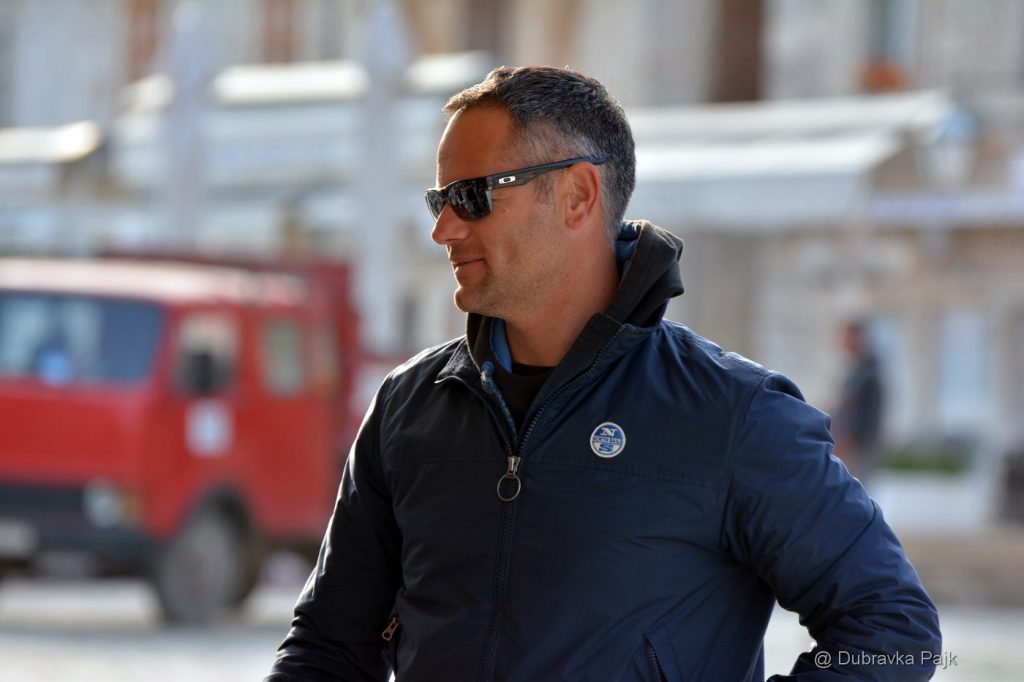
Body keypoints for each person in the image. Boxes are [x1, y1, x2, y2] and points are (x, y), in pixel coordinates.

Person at [268, 66, 940, 681]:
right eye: (438, 199)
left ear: (577, 195)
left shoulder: (734, 415)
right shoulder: (408, 408)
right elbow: (329, 647)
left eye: (471, 196)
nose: (444, 228)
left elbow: (893, 631)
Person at [831, 320, 885, 483]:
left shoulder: (867, 374)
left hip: (857, 447)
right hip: (852, 445)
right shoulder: (858, 370)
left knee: (854, 487)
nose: (844, 341)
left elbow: (866, 414)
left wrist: (851, 441)